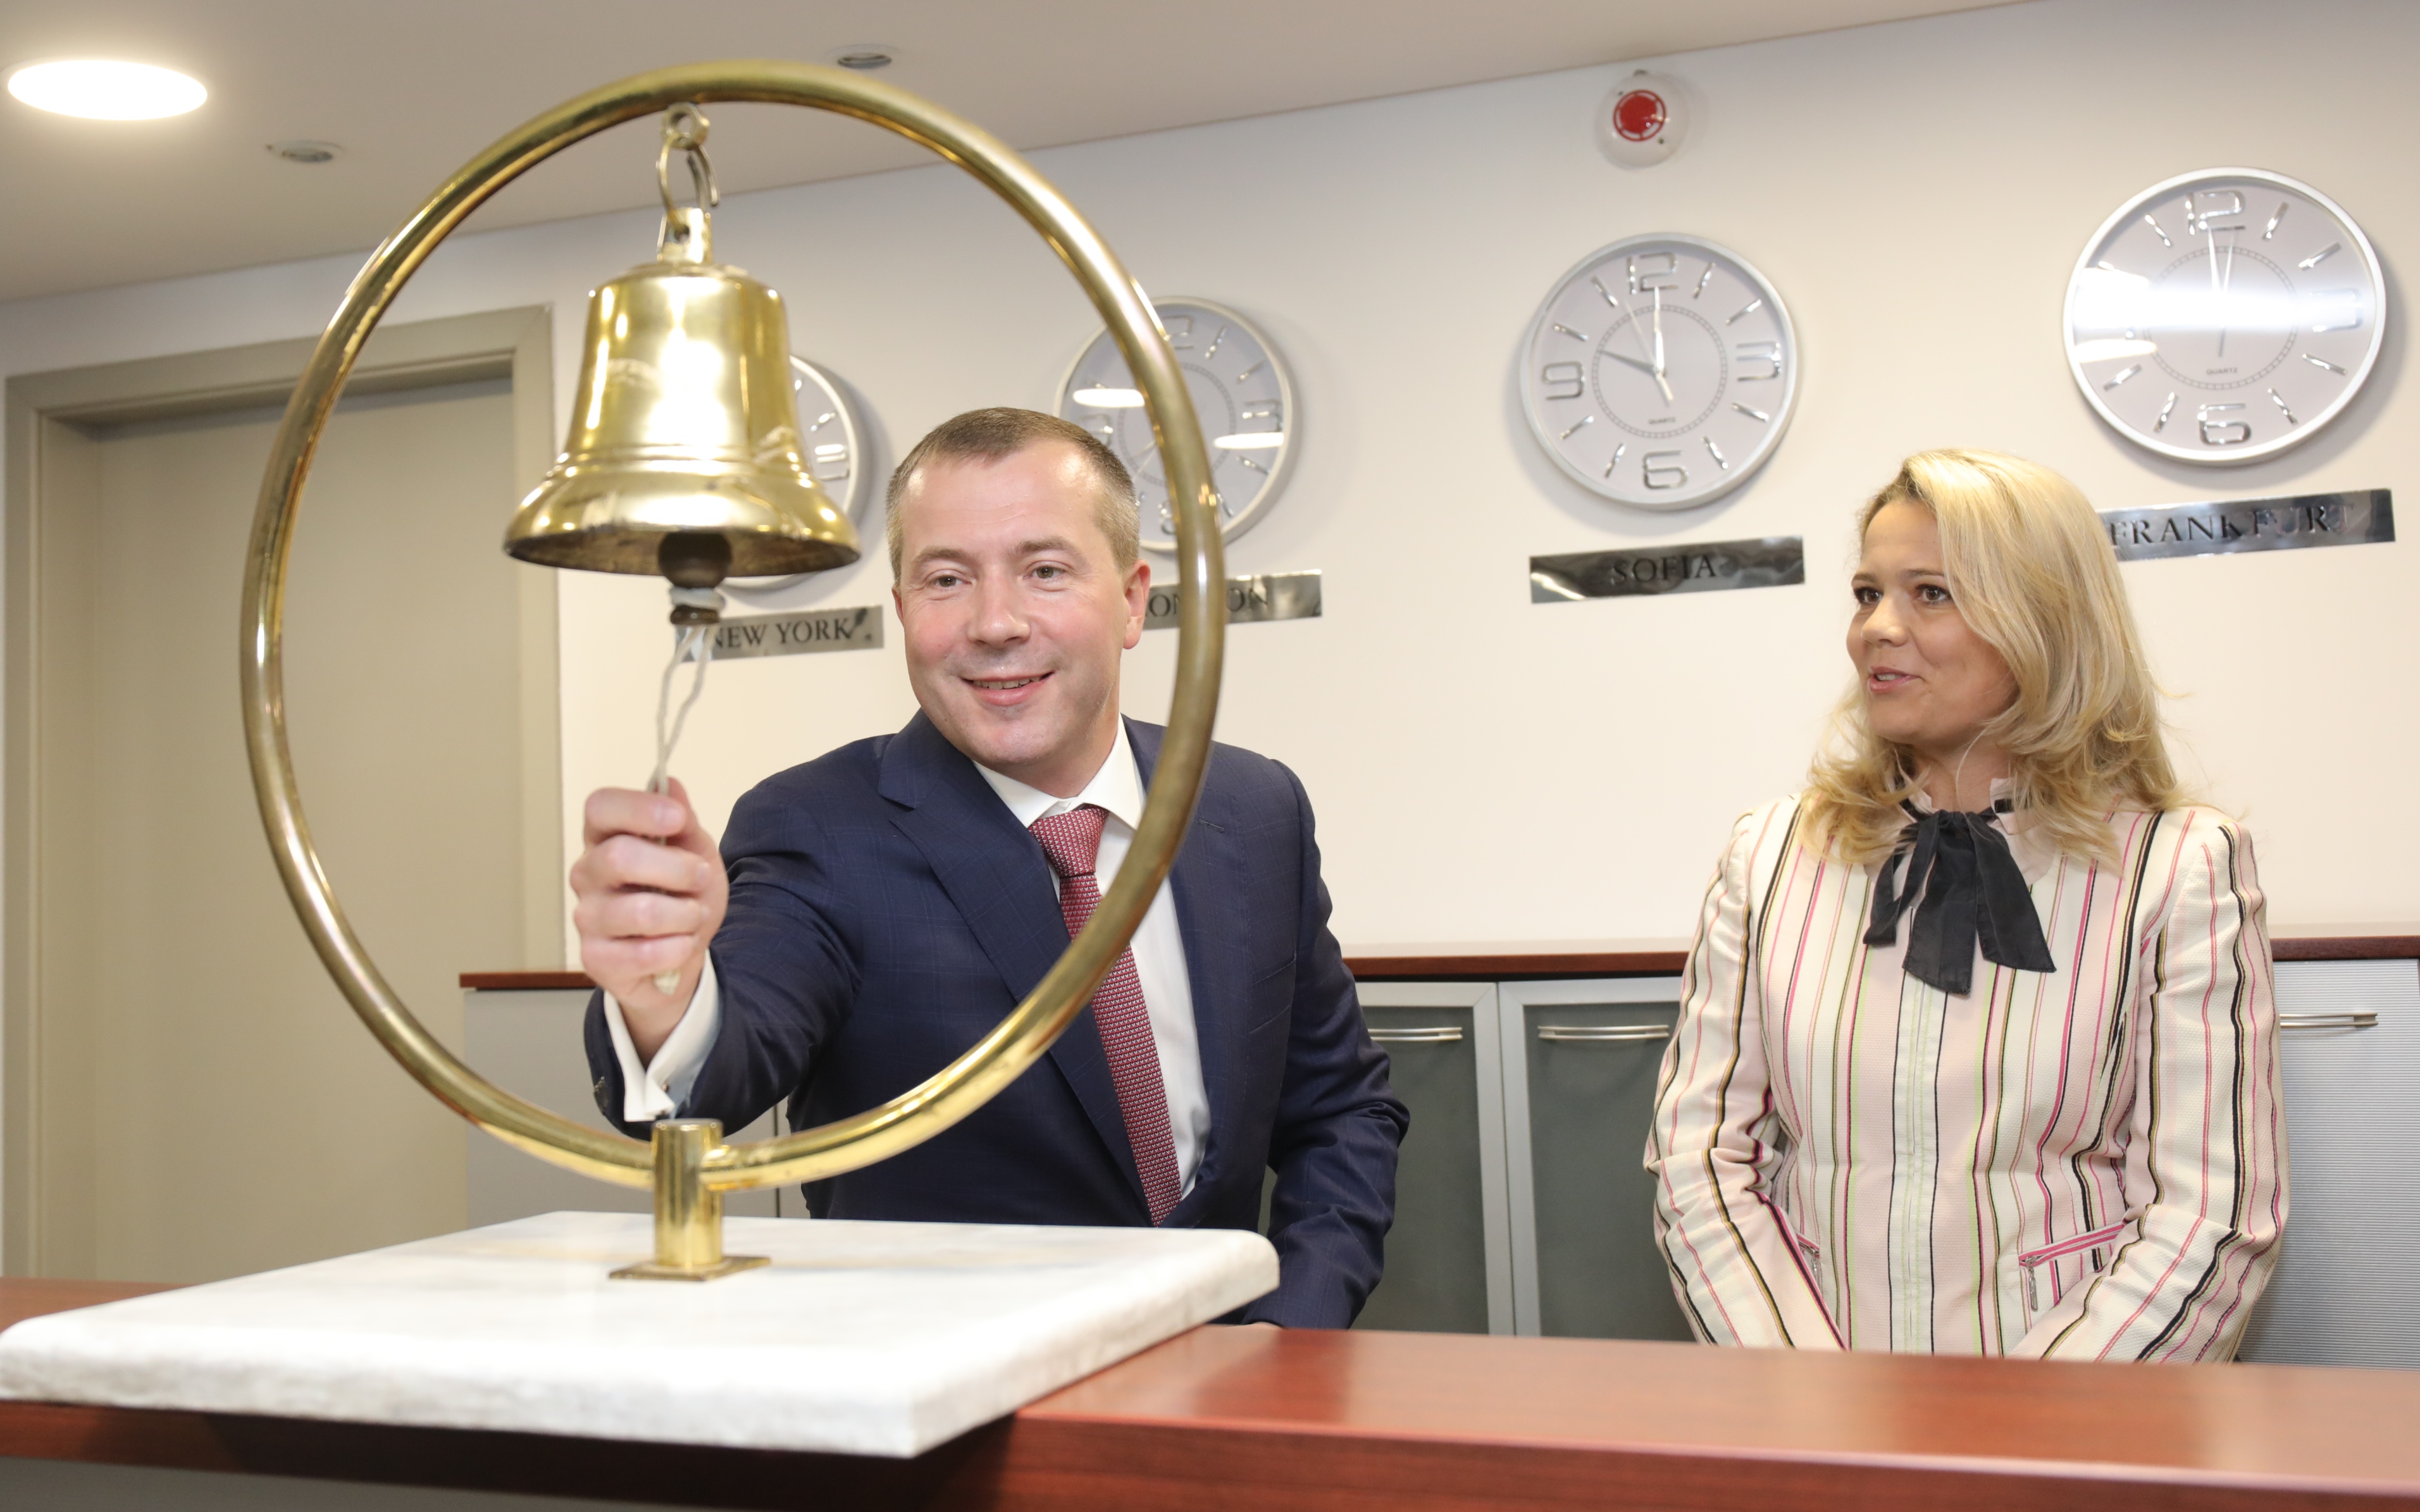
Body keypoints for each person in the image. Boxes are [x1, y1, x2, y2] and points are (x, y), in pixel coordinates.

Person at [573, 407, 1405, 1328]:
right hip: (955, 1410)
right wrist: (661, 986)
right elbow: (720, 1069)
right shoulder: (816, 826)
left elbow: (1339, 1111)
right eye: (945, 579)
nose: (994, 622)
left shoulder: (1250, 807)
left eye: (1044, 571)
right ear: (901, 611)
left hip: (1227, 1394)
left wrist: (1294, 1327)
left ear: (1131, 600)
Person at [1648, 450, 2285, 1361]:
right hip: (1813, 1412)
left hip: (2072, 1430)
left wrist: (2014, 1440)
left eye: (1930, 594)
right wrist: (1801, 1399)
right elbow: (1698, 1160)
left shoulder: (2177, 866)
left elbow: (2212, 1213)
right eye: (1866, 591)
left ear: (2042, 619)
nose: (1877, 627)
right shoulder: (1769, 854)